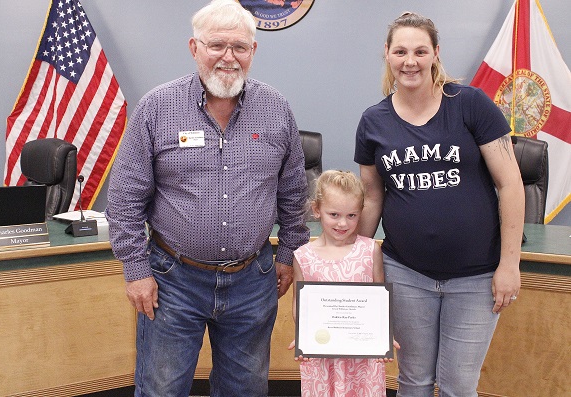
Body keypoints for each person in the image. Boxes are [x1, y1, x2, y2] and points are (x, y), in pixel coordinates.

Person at [105, 1, 309, 395]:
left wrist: (287, 254)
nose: (228, 58)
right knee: (161, 388)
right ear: (194, 48)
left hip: (252, 280)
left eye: (240, 47)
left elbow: (293, 192)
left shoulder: (276, 108)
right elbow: (125, 200)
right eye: (217, 45)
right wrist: (136, 269)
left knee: (244, 389)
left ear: (253, 51)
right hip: (172, 281)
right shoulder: (157, 108)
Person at [354, 12, 525, 397]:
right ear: (387, 54)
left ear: (435, 53)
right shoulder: (373, 121)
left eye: (419, 50)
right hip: (406, 273)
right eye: (400, 51)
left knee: (458, 386)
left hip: (477, 278)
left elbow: (511, 184)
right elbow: (373, 197)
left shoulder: (470, 104)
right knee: (412, 381)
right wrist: (353, 262)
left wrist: (509, 264)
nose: (409, 60)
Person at [288, 170, 392, 397]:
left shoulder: (370, 250)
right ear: (317, 210)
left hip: (363, 358)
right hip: (321, 356)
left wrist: (384, 335)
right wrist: (303, 335)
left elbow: (379, 299)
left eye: (352, 216)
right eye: (334, 214)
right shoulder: (303, 256)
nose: (343, 223)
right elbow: (299, 303)